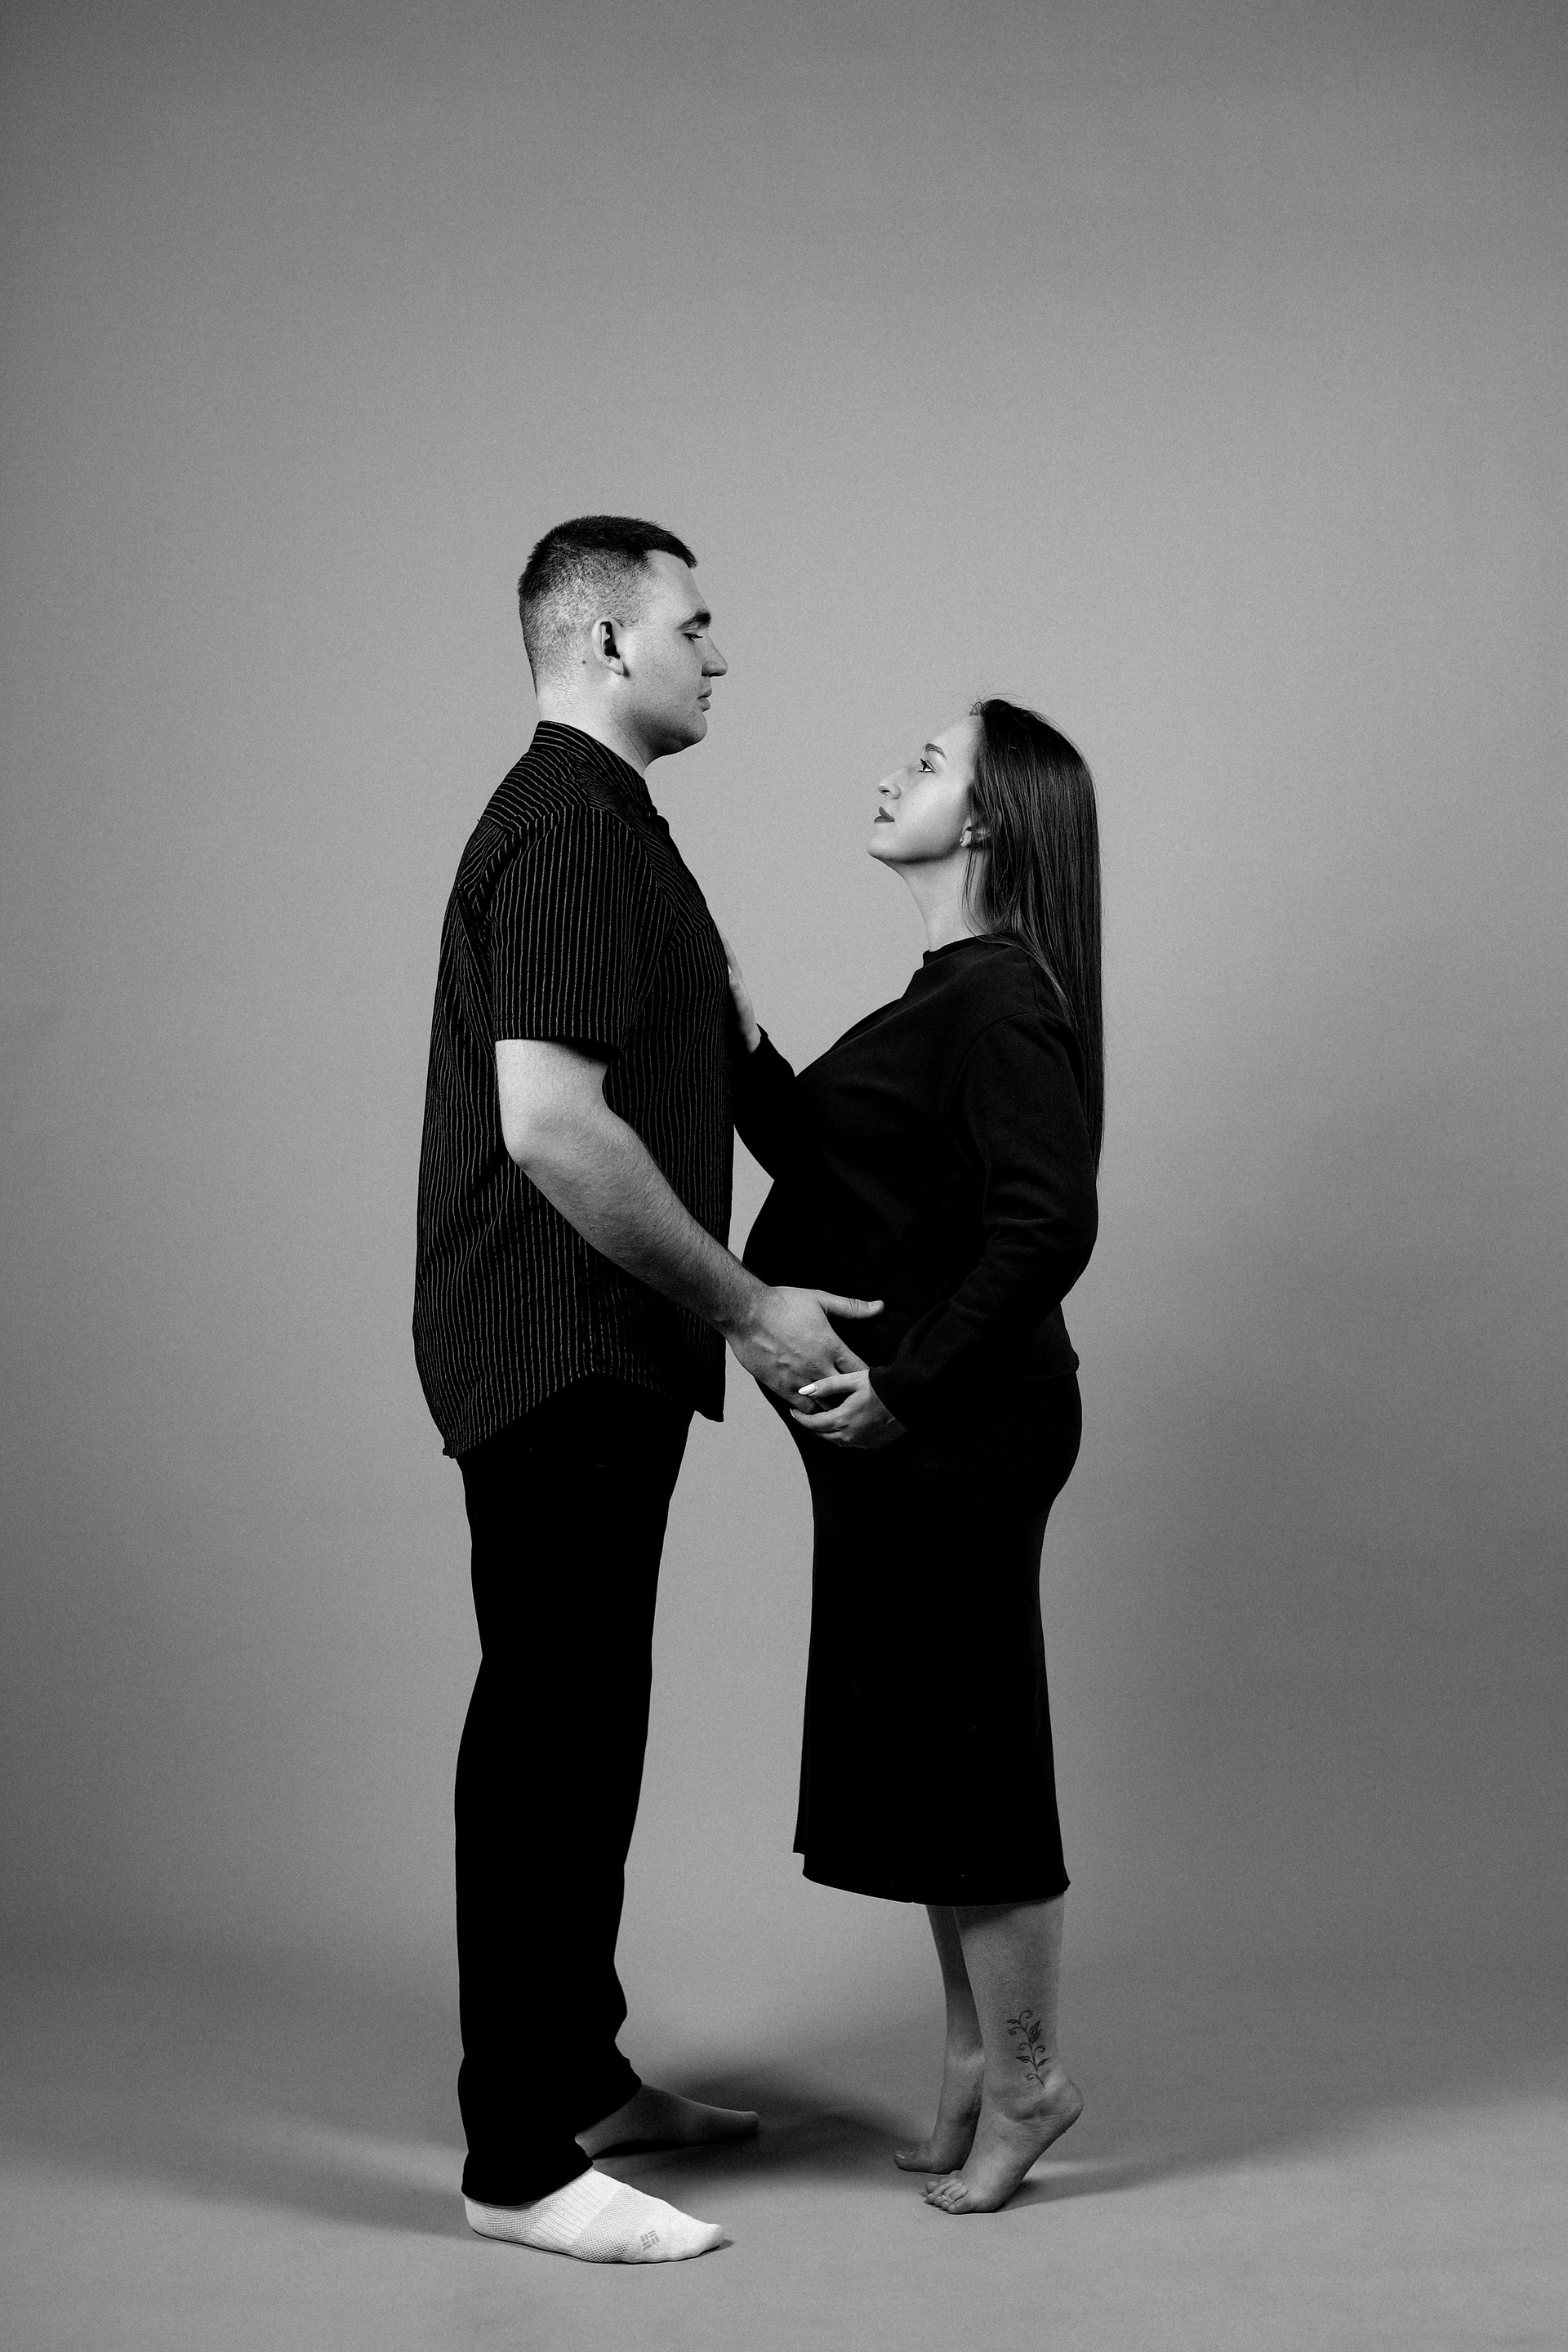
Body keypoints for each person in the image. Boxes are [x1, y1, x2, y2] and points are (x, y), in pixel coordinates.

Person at [412, 515, 881, 2264]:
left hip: (615, 1348)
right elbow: (552, 1128)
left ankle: (581, 2077)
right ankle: (517, 2165)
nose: (719, 652)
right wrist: (755, 1310)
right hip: (553, 1347)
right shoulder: (561, 828)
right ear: (609, 641)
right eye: (697, 623)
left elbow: (747, 1067)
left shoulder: (628, 837)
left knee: (591, 1720)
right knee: (549, 1732)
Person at [724, 697, 1103, 2216]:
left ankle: (1031, 2079)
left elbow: (1048, 1224)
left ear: (991, 818)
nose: (892, 774)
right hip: (912, 1440)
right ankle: (971, 2064)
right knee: (938, 1756)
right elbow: (832, 1162)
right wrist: (738, 1035)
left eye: (930, 764)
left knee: (976, 1757)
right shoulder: (946, 993)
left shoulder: (1002, 999)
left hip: (962, 1433)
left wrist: (908, 1392)